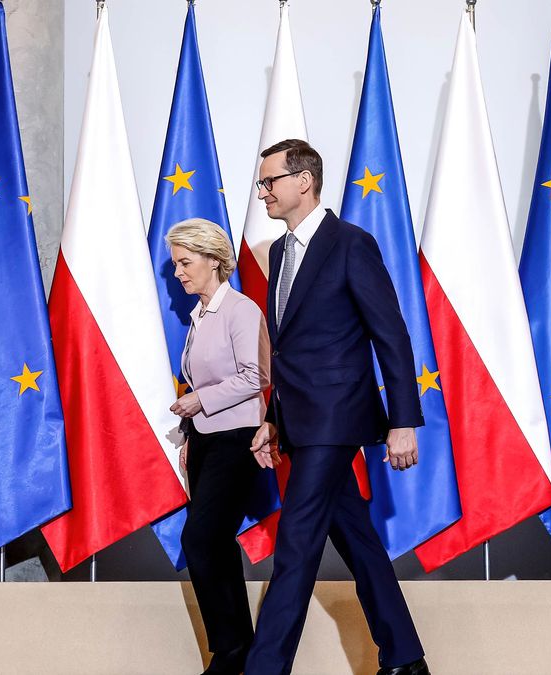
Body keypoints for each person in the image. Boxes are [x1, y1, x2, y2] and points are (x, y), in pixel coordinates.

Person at [244, 139, 429, 675]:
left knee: (296, 545)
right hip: (299, 421)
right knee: (357, 539)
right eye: (261, 183)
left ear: (304, 181)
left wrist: (403, 421)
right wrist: (274, 419)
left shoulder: (351, 244)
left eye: (270, 181)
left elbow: (391, 335)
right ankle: (406, 659)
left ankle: (264, 669)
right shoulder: (278, 253)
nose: (263, 192)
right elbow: (288, 349)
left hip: (337, 419)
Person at [165, 218, 273, 675]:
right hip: (207, 442)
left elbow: (257, 376)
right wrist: (191, 433)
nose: (178, 273)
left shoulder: (241, 310)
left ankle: (228, 653)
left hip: (237, 441)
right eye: (175, 264)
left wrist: (199, 401)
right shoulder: (200, 315)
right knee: (216, 542)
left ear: (213, 260)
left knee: (200, 539)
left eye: (185, 263)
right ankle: (236, 650)